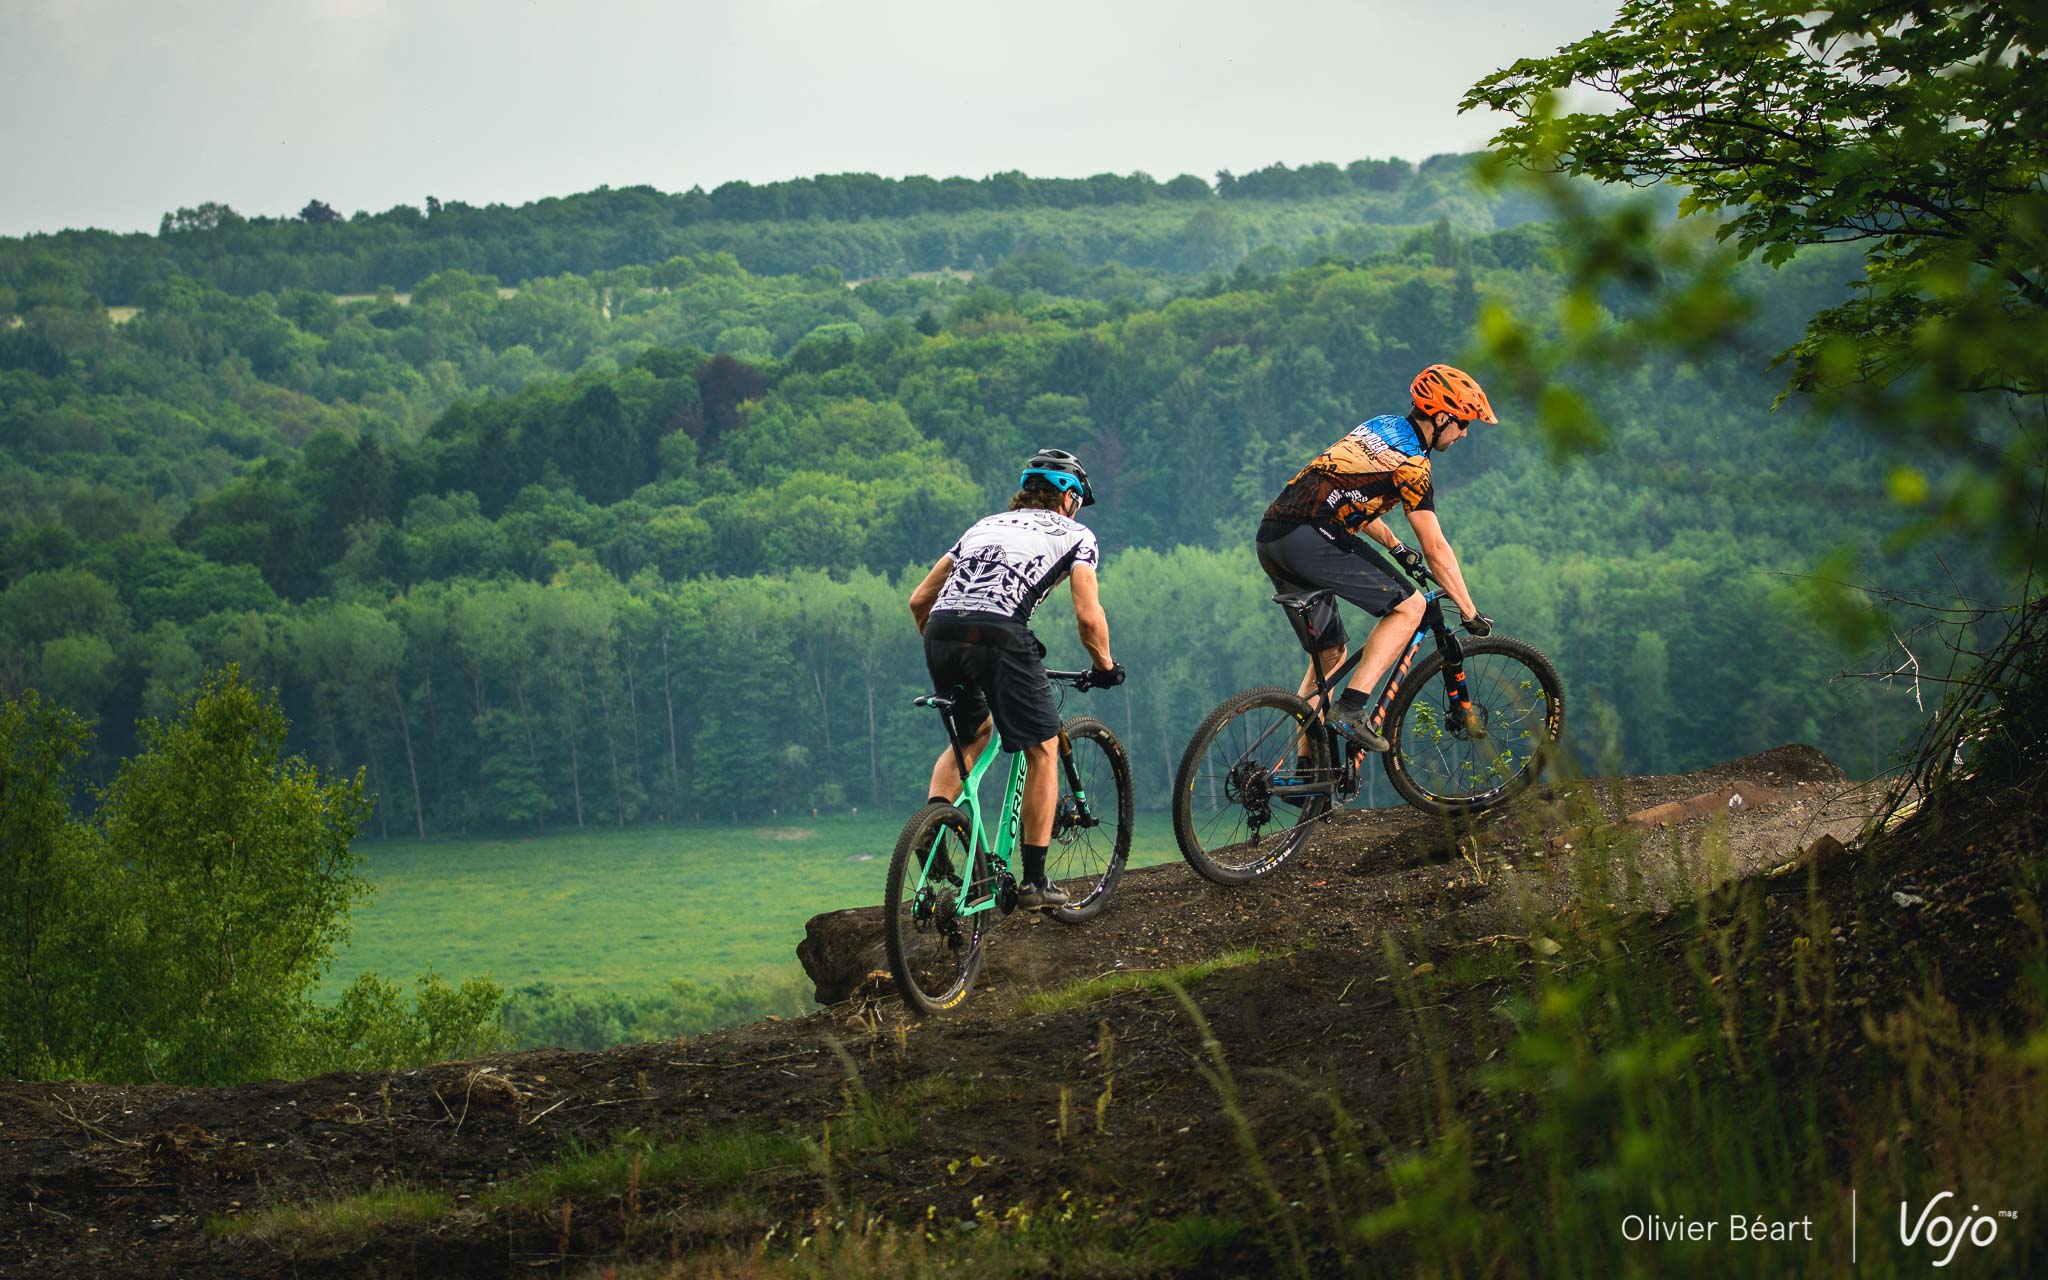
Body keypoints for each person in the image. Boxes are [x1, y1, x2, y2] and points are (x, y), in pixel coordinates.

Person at [907, 448, 1125, 908]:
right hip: (1001, 634)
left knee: (973, 733)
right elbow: (1088, 618)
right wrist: (1105, 665)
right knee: (1043, 747)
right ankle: (1035, 883)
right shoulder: (1077, 534)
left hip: (942, 631)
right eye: (1078, 499)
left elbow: (918, 601)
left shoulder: (982, 526)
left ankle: (932, 826)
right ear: (1068, 497)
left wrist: (957, 650)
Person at [1256, 364, 1496, 761]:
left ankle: (1303, 770)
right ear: (1441, 417)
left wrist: (1396, 546)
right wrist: (1469, 612)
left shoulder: (1379, 426)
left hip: (1274, 536)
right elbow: (1436, 548)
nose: (1466, 433)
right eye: (1464, 423)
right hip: (1313, 537)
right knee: (1412, 606)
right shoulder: (1414, 465)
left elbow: (1351, 495)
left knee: (1330, 655)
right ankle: (1351, 709)